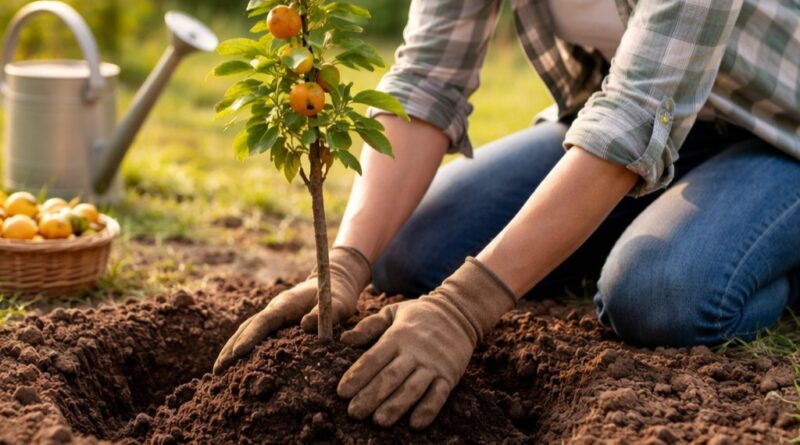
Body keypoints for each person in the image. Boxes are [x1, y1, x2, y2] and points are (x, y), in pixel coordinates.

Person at [215, 0, 799, 431]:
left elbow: (638, 113)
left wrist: (463, 307)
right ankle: (651, 212)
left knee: (658, 295)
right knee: (406, 250)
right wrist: (346, 261)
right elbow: (425, 79)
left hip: (777, 131)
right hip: (647, 129)